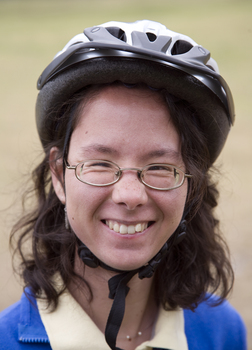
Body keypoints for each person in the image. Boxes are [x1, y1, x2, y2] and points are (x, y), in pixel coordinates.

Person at [0, 20, 247, 350]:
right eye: (101, 164)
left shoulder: (221, 331)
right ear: (59, 175)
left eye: (159, 167)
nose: (130, 195)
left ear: (192, 184)